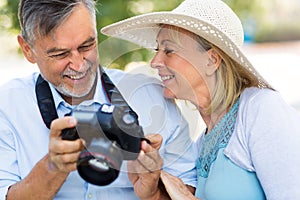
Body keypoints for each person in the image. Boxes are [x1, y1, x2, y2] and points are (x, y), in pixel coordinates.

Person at [101, 0, 300, 199]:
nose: (155, 62)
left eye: (169, 50)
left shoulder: (261, 109)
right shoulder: (203, 141)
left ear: (211, 60)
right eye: (157, 50)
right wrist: (154, 193)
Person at [0, 0, 198, 199]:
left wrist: (154, 192)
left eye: (87, 46)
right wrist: (53, 166)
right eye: (60, 54)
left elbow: (189, 190)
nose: (79, 65)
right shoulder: (7, 107)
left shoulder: (153, 97)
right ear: (27, 49)